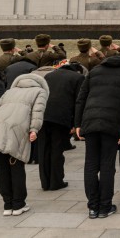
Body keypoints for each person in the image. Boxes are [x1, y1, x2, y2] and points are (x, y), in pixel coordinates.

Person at [75, 54, 120, 218]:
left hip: (90, 118)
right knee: (107, 164)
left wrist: (78, 124)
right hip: (112, 120)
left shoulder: (95, 70)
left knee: (91, 164)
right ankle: (105, 206)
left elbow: (81, 98)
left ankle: (93, 207)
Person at [0, 73, 47, 217]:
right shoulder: (40, 92)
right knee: (16, 167)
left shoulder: (9, 91)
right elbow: (38, 112)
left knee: (2, 168)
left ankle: (7, 205)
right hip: (17, 129)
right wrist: (34, 130)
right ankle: (18, 204)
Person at [39, 62, 85, 191]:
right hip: (61, 117)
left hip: (43, 115)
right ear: (78, 71)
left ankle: (45, 182)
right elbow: (79, 101)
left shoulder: (49, 75)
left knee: (44, 150)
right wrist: (76, 124)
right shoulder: (78, 78)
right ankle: (56, 182)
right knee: (56, 150)